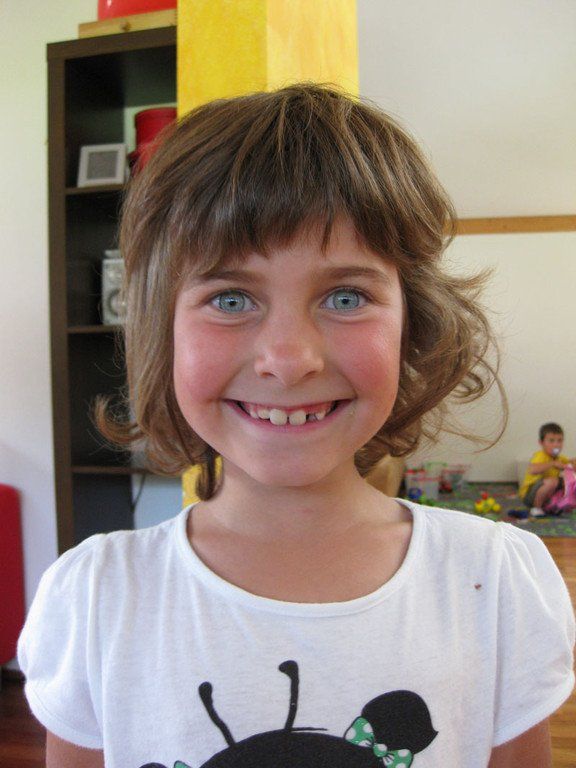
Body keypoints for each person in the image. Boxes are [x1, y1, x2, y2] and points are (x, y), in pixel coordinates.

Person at [18, 85, 574, 768]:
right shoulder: (96, 598)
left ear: (414, 324)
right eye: (230, 299)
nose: (288, 359)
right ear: (163, 329)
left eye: (346, 296)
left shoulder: (496, 582)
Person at [519, 422, 575, 517]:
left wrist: (572, 463)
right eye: (551, 441)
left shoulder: (560, 458)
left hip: (546, 494)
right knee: (553, 482)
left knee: (564, 482)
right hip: (529, 496)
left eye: (559, 441)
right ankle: (536, 508)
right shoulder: (540, 456)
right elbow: (532, 470)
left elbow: (569, 466)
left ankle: (554, 506)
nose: (556, 445)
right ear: (541, 443)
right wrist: (552, 464)